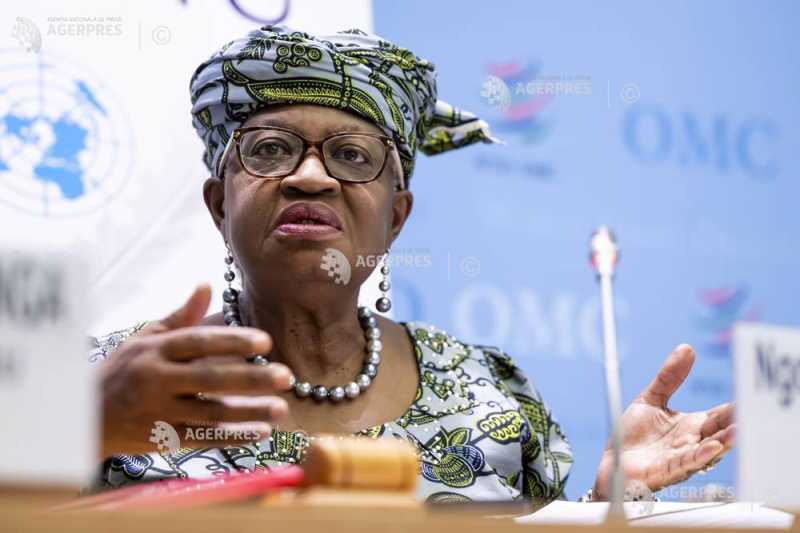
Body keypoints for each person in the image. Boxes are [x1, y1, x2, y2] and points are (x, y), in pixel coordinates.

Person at [91, 24, 734, 505]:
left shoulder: (493, 392)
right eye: (270, 149)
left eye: (351, 155)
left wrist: (606, 503)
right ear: (218, 205)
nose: (310, 176)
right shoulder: (113, 381)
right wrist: (85, 425)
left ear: (396, 217)